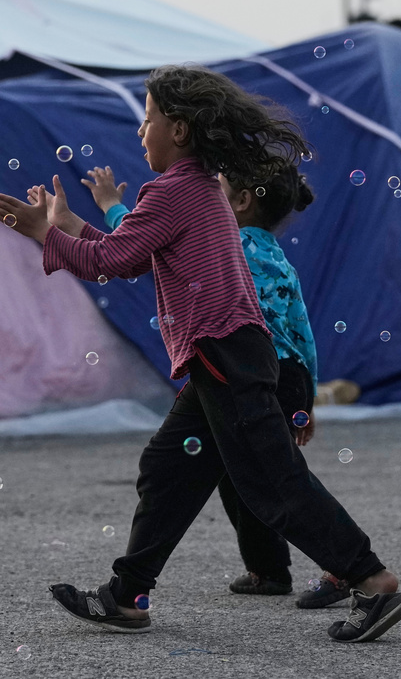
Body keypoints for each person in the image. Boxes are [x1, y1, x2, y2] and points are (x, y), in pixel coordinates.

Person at [0, 64, 401, 643]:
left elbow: (111, 261)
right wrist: (69, 226)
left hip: (224, 353)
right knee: (168, 466)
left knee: (270, 480)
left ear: (181, 130)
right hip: (227, 354)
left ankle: (371, 579)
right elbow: (132, 254)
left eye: (148, 119)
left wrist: (45, 233)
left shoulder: (174, 191)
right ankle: (127, 596)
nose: (141, 131)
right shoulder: (200, 189)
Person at [80, 163, 331, 601]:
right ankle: (268, 569)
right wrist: (306, 396)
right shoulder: (279, 259)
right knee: (240, 474)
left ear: (242, 201)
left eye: (218, 189)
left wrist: (112, 207)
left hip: (248, 369)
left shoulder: (226, 244)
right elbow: (302, 333)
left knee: (273, 479)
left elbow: (150, 243)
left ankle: (346, 567)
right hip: (286, 374)